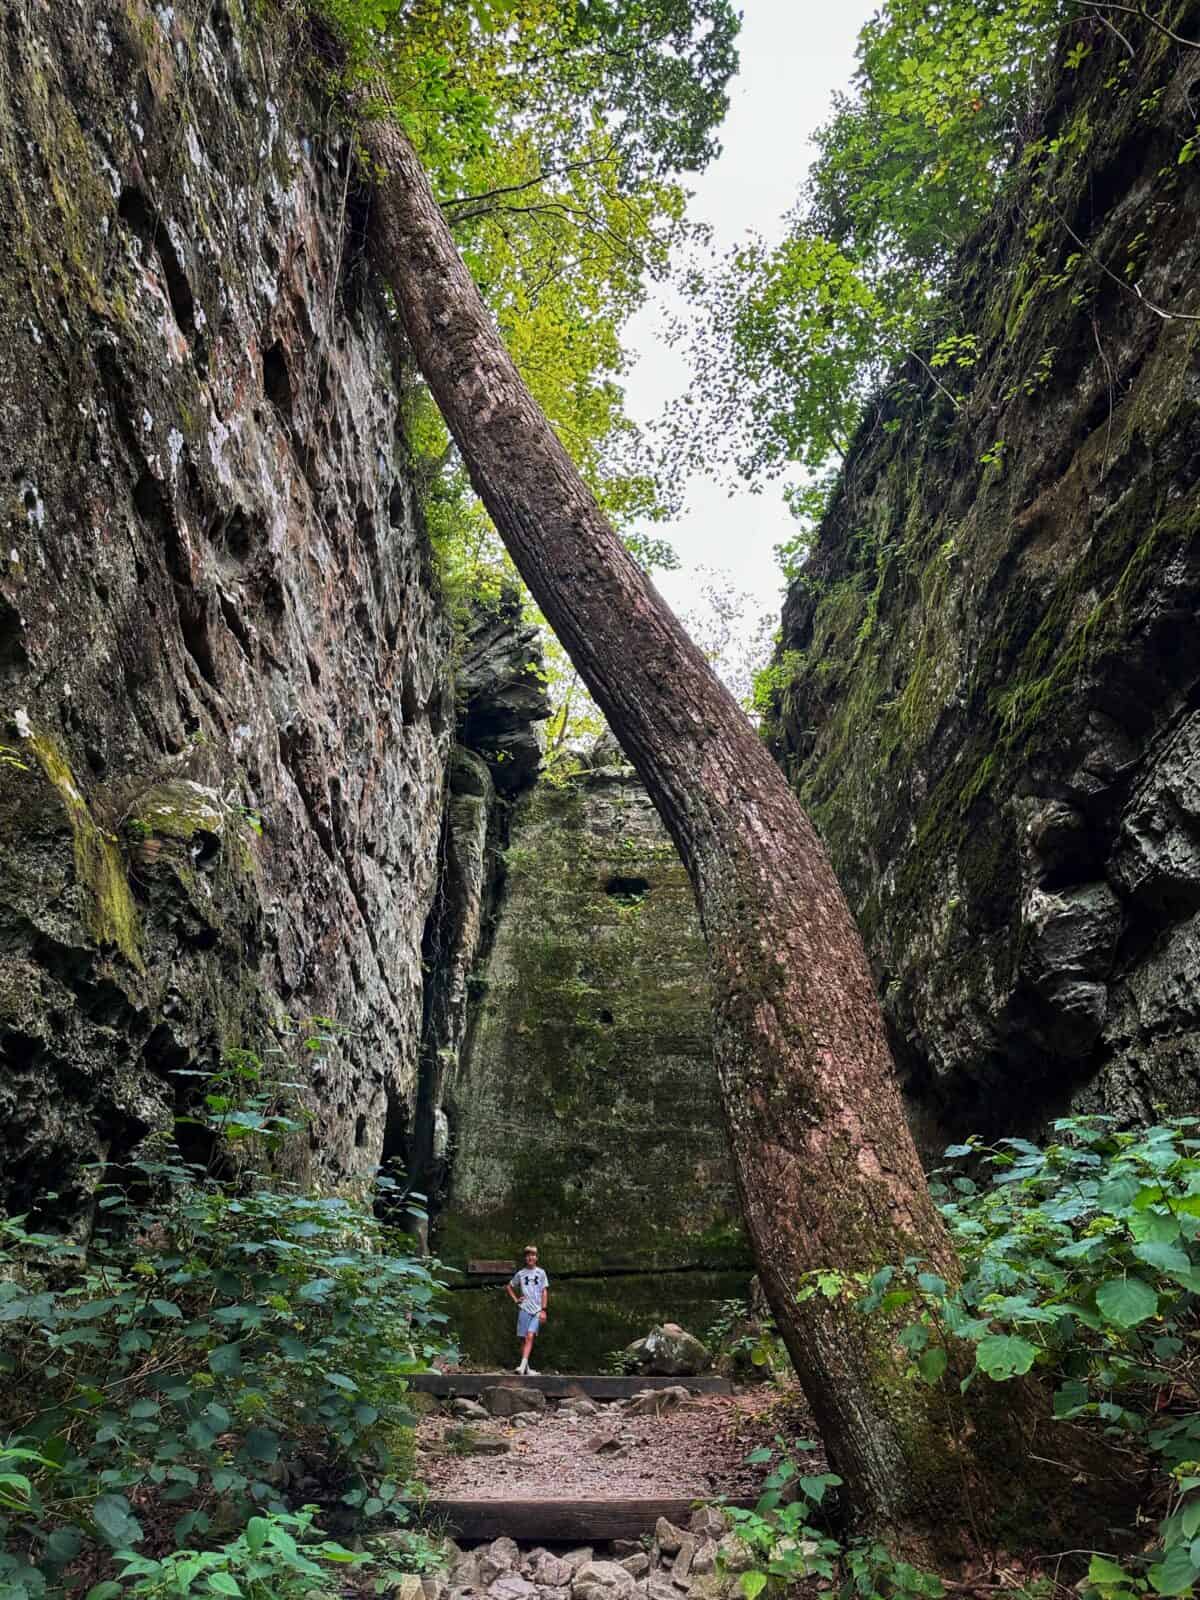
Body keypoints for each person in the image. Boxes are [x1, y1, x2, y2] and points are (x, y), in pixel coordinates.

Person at [506, 1243, 549, 1375]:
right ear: (525, 1258)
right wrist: (516, 1299)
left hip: (537, 1310)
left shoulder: (541, 1272)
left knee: (530, 1336)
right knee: (524, 1339)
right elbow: (509, 1286)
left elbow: (544, 1291)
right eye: (528, 1255)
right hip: (524, 1309)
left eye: (533, 1255)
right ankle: (527, 1369)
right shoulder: (521, 1274)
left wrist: (543, 1309)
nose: (531, 1257)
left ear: (537, 1258)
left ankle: (522, 1366)